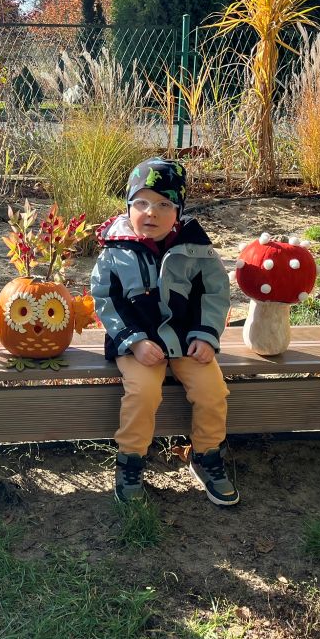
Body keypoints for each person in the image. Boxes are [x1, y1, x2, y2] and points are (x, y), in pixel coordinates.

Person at [90, 158, 238, 505]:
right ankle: (130, 460)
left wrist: (205, 335)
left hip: (186, 340)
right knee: (143, 393)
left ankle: (206, 454)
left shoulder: (196, 249)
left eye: (163, 204)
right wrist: (134, 341)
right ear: (128, 207)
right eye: (140, 203)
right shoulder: (116, 251)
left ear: (178, 210)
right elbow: (104, 300)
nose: (150, 212)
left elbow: (215, 295)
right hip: (137, 343)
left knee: (212, 390)